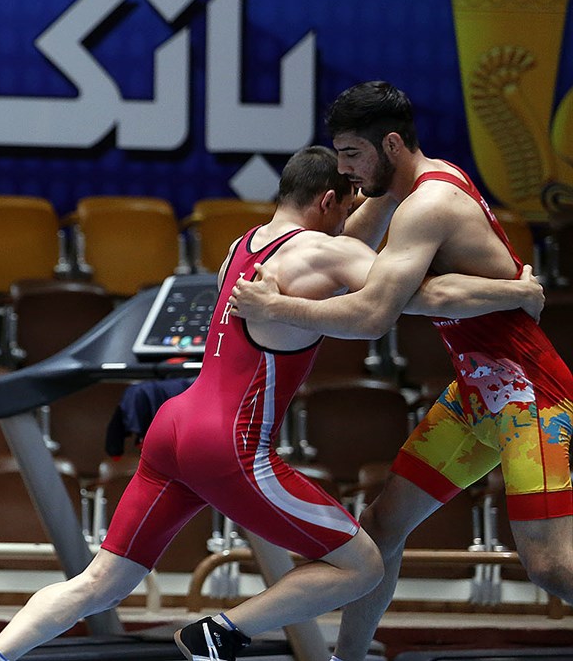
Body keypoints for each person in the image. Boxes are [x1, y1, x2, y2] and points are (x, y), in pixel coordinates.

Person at [0, 146, 541, 661]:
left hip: (174, 428)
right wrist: (515, 290)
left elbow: (349, 247)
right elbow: (426, 295)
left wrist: (379, 202)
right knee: (363, 565)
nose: (350, 220)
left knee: (100, 583)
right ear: (327, 201)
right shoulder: (322, 253)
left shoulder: (240, 247)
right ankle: (220, 633)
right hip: (229, 446)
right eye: (346, 206)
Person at [229, 81, 573, 661]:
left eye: (352, 155)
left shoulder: (428, 204)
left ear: (390, 144)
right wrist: (500, 290)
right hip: (479, 394)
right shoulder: (404, 191)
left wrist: (277, 307)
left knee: (550, 565)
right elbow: (349, 255)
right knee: (381, 528)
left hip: (530, 397)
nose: (344, 172)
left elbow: (370, 315)